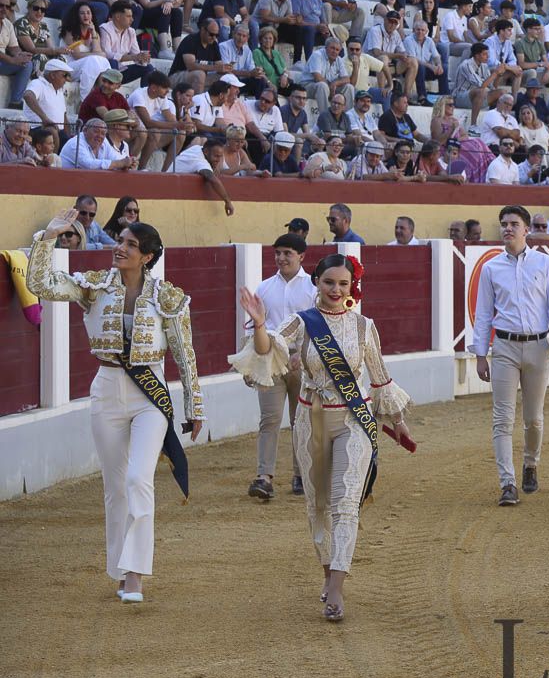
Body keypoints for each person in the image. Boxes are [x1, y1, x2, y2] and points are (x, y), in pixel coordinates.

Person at [28, 209, 205, 605]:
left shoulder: (168, 296)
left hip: (149, 394)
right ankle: (121, 570)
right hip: (106, 388)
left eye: (130, 245)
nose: (119, 248)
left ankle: (137, 573)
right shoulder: (94, 285)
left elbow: (184, 354)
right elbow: (40, 282)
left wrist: (195, 406)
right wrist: (48, 237)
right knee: (115, 487)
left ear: (148, 256)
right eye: (119, 241)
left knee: (138, 478)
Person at [234, 254, 413, 622]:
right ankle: (329, 570)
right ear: (316, 282)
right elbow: (269, 352)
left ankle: (336, 588)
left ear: (352, 287)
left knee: (346, 502)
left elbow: (379, 377)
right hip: (310, 418)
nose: (335, 290)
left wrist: (396, 420)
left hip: (353, 418)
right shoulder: (301, 323)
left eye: (343, 284)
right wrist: (260, 325)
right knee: (318, 506)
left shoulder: (365, 327)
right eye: (329, 282)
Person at [472, 205, 549, 506]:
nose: (508, 229)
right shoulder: (491, 268)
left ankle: (530, 463)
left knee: (534, 419)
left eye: (514, 223)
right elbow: (484, 314)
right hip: (504, 347)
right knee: (502, 418)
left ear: (527, 230)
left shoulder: (544, 263)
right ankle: (507, 483)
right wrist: (479, 354)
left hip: (539, 346)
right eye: (504, 224)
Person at [245, 233, 316, 500]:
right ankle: (264, 477)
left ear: (301, 257)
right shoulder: (263, 288)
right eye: (277, 253)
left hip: (303, 361)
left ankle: (300, 474)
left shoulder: (313, 287)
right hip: (271, 360)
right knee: (269, 419)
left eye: (287, 253)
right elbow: (254, 327)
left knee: (302, 420)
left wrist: (306, 353)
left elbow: (320, 327)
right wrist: (251, 364)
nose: (281, 258)